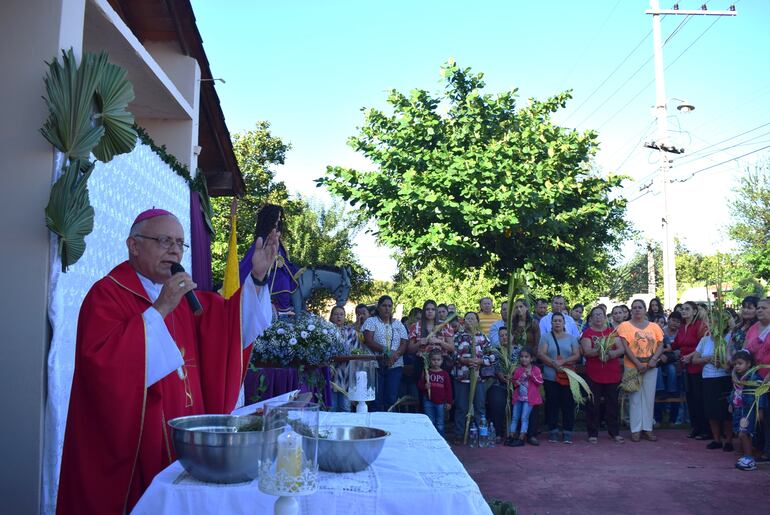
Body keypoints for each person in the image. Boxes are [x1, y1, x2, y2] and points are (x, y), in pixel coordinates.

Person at [57, 209, 277, 514]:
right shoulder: (107, 295)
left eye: (180, 243)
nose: (174, 250)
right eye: (164, 241)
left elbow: (230, 327)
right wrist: (160, 309)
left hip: (184, 438)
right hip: (136, 442)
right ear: (133, 245)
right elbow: (102, 366)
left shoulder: (185, 298)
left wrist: (257, 277)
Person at [238, 204, 299, 317]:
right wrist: (275, 261)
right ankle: (282, 309)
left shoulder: (278, 238)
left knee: (290, 275)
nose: (278, 220)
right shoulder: (264, 238)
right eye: (277, 217)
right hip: (269, 269)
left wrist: (282, 261)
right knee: (283, 281)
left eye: (280, 217)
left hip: (277, 268)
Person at [617, 299, 664, 443]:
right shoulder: (625, 326)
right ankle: (635, 429)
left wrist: (654, 359)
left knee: (649, 398)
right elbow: (625, 347)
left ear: (645, 310)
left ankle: (648, 428)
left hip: (650, 366)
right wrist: (637, 363)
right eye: (634, 308)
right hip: (632, 366)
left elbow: (661, 344)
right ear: (631, 310)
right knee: (635, 399)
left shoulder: (654, 326)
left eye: (640, 307)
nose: (637, 310)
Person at [580, 307, 625, 443]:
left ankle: (614, 432)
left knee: (612, 404)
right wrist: (599, 351)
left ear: (605, 317)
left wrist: (611, 354)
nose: (598, 318)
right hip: (594, 374)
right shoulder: (587, 333)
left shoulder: (612, 333)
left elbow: (621, 349)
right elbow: (587, 351)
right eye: (595, 315)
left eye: (600, 315)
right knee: (593, 404)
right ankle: (593, 433)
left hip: (612, 373)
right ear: (591, 318)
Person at [537, 312, 581, 444]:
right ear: (551, 323)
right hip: (551, 377)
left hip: (568, 376)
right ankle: (553, 431)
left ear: (564, 323)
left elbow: (576, 355)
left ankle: (567, 431)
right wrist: (553, 364)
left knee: (568, 404)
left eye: (559, 321)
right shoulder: (545, 337)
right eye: (555, 321)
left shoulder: (571, 338)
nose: (557, 323)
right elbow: (541, 354)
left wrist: (563, 362)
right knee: (552, 404)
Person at [362, 295, 409, 411]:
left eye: (389, 306)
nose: (387, 308)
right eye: (384, 306)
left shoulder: (398, 324)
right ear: (378, 307)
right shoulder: (371, 321)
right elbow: (368, 340)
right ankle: (375, 427)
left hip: (395, 365)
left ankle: (389, 425)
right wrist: (387, 351)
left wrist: (395, 355)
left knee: (391, 398)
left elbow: (404, 343)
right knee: (376, 398)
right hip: (376, 365)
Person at [691, 324, 734, 451]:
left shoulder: (729, 338)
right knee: (711, 410)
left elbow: (732, 357)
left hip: (724, 377)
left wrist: (722, 361)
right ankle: (716, 439)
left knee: (726, 411)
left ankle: (729, 440)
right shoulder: (705, 340)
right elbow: (695, 359)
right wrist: (709, 359)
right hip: (708, 378)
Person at [676, 301, 710, 440]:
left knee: (699, 398)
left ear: (695, 311)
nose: (684, 311)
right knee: (690, 398)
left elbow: (703, 346)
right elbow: (676, 344)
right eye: (682, 309)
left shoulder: (700, 326)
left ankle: (705, 429)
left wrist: (689, 357)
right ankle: (695, 427)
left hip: (697, 365)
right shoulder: (682, 326)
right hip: (685, 366)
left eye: (687, 309)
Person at [451, 312, 488, 443]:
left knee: (479, 406)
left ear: (477, 321)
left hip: (478, 378)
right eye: (468, 318)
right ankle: (459, 434)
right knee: (461, 407)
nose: (470, 321)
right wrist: (464, 360)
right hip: (462, 377)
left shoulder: (483, 338)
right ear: (463, 321)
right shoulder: (457, 337)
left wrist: (481, 361)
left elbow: (492, 356)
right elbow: (452, 355)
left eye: (473, 318)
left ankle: (480, 434)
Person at [744, 298, 770, 462]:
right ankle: (759, 446)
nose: (759, 310)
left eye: (763, 308)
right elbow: (746, 351)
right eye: (758, 308)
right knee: (759, 415)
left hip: (768, 376)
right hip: (756, 376)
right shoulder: (753, 328)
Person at [730, 350, 765, 471]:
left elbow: (761, 393)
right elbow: (735, 391)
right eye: (735, 364)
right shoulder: (739, 378)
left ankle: (750, 458)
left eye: (740, 363)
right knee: (742, 434)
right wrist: (731, 403)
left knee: (744, 433)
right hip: (742, 410)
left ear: (749, 364)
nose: (737, 366)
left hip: (751, 409)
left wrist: (760, 409)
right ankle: (747, 456)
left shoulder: (755, 377)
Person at [504, 348, 543, 447]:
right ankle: (511, 436)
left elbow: (540, 382)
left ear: (531, 359)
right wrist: (514, 382)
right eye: (521, 357)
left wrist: (532, 376)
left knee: (524, 418)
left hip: (529, 400)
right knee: (514, 417)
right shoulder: (518, 370)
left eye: (526, 357)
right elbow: (515, 381)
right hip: (518, 398)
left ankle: (522, 437)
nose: (523, 359)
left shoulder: (535, 370)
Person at [418, 349, 453, 437]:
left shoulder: (444, 374)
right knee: (430, 422)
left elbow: (449, 389)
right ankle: (430, 439)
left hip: (440, 402)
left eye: (438, 360)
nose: (436, 362)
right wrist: (425, 386)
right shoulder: (426, 372)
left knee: (440, 423)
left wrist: (449, 402)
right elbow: (420, 386)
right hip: (428, 401)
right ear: (429, 360)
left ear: (442, 361)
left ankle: (441, 440)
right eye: (433, 360)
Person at [330, 305, 358, 412]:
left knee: (345, 408)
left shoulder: (352, 333)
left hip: (346, 375)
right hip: (331, 375)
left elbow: (356, 352)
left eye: (341, 314)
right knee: (332, 407)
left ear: (345, 317)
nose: (339, 317)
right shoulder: (326, 331)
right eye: (336, 314)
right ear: (331, 317)